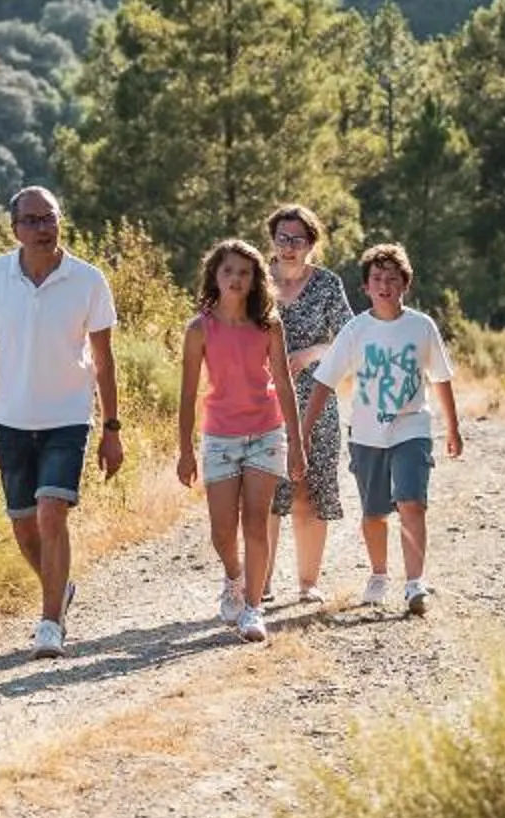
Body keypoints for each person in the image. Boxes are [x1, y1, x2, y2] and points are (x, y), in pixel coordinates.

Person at [0, 185, 123, 659]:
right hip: (8, 418)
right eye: (32, 221)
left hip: (68, 417)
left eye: (49, 219)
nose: (43, 229)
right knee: (24, 527)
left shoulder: (88, 280)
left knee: (51, 512)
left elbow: (105, 361)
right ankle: (58, 588)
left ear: (60, 220)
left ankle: (50, 624)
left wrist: (112, 429)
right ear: (15, 230)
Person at [302, 241, 462, 615]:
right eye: (377, 279)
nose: (384, 286)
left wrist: (453, 428)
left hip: (412, 429)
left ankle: (414, 583)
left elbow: (441, 379)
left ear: (405, 283)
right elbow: (325, 382)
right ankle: (378, 574)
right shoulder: (356, 330)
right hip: (367, 434)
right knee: (374, 513)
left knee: (412, 502)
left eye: (392, 279)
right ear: (366, 287)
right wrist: (304, 432)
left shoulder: (421, 326)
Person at [174, 237, 311, 643]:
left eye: (244, 272)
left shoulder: (269, 325)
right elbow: (186, 393)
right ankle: (233, 577)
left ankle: (253, 607)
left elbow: (284, 385)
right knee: (221, 530)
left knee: (256, 520)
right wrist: (184, 450)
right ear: (214, 276)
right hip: (219, 435)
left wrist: (297, 443)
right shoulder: (199, 329)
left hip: (265, 433)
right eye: (228, 270)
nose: (236, 279)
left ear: (255, 281)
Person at [260, 203, 354, 603]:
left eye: (297, 239)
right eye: (282, 238)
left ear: (312, 243)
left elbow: (350, 338)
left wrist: (312, 352)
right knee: (265, 492)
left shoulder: (328, 284)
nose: (289, 246)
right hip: (261, 400)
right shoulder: (255, 278)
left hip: (316, 399)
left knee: (308, 490)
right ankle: (259, 584)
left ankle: (306, 583)